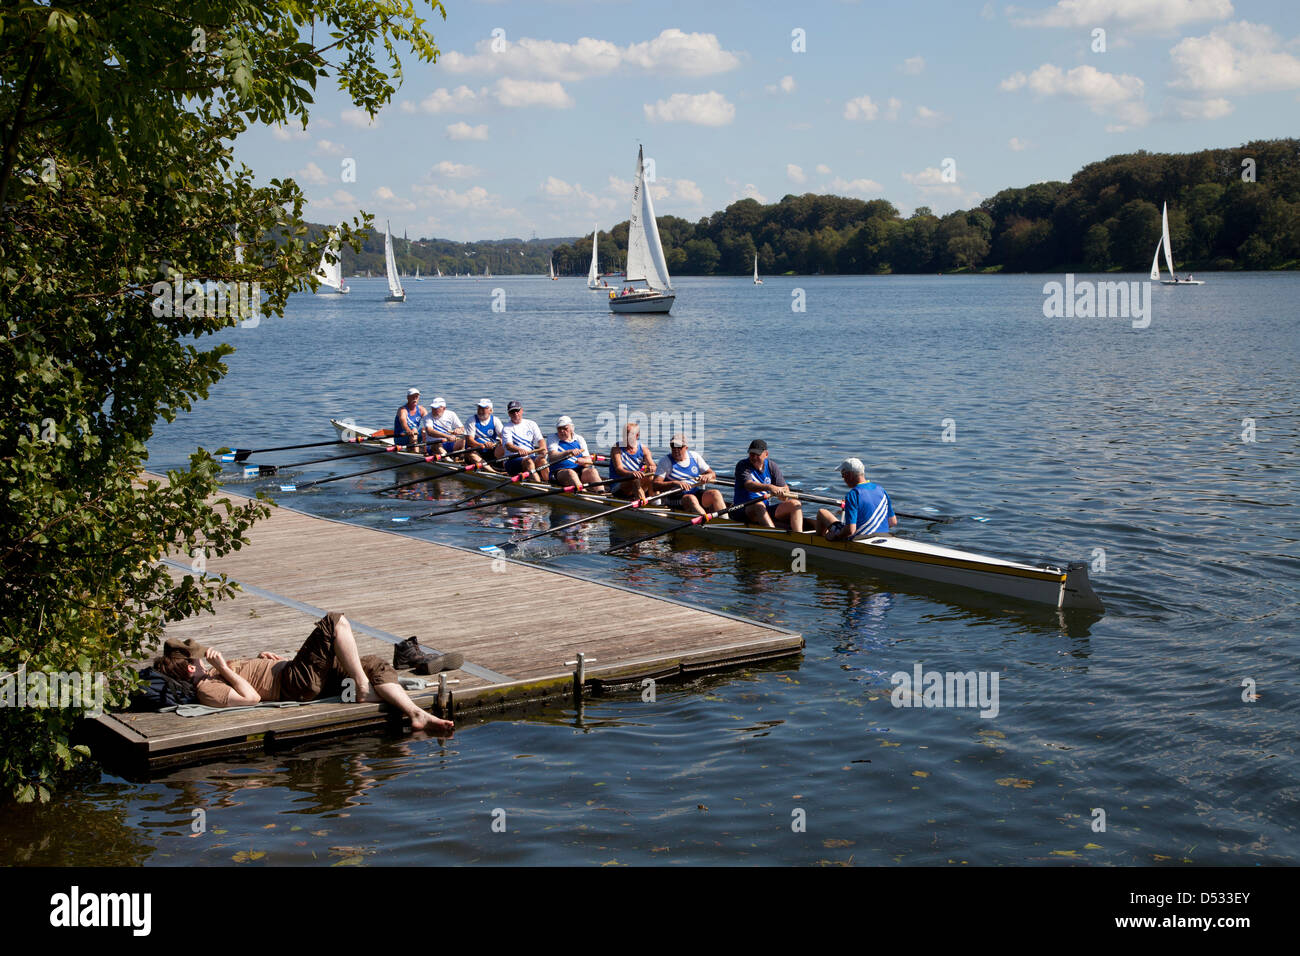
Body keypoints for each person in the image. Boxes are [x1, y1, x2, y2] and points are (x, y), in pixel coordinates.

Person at [153, 613, 454, 734]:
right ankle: (362, 688)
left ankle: (415, 713)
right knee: (335, 622)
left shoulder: (214, 677)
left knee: (374, 663)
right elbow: (252, 697)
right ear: (192, 667)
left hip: (295, 674)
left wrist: (264, 661)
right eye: (202, 659)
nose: (207, 659)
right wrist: (222, 669)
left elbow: (251, 678)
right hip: (294, 683)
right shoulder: (207, 689)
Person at [815, 457, 897, 540]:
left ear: (850, 475)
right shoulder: (881, 490)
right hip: (884, 536)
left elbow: (850, 531)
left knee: (822, 512)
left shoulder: (853, 494)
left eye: (843, 475)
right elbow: (893, 522)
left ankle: (818, 542)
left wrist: (835, 536)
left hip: (858, 539)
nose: (843, 479)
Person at [732, 439, 803, 530]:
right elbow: (749, 485)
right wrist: (770, 487)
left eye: (757, 454)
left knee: (795, 503)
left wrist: (783, 494)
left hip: (764, 509)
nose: (753, 457)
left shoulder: (771, 466)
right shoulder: (742, 465)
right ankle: (773, 537)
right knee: (759, 505)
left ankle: (798, 536)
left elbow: (784, 497)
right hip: (742, 509)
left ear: (766, 454)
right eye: (751, 454)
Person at [653, 433, 725, 515]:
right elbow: (655, 485)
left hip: (694, 491)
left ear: (686, 448)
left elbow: (712, 474)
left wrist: (709, 476)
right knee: (691, 498)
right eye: (673, 446)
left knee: (715, 493)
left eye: (679, 447)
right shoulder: (665, 461)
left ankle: (726, 523)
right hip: (674, 497)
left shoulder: (695, 456)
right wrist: (675, 483)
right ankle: (705, 524)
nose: (676, 449)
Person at [547, 415, 602, 489]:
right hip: (560, 472)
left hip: (579, 471)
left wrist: (584, 461)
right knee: (571, 472)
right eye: (559, 428)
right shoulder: (553, 438)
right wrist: (568, 452)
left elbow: (589, 461)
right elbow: (552, 457)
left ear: (572, 428)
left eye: (565, 428)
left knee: (593, 471)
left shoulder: (579, 439)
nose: (562, 431)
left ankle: (601, 493)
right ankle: (583, 494)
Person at [608, 421, 655, 502]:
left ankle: (655, 502)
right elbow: (619, 470)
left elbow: (652, 464)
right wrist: (631, 474)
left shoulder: (643, 449)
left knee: (652, 476)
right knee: (634, 479)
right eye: (624, 434)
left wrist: (652, 467)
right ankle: (641, 503)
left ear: (636, 436)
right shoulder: (616, 448)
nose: (625, 437)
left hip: (637, 484)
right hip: (618, 486)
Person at [501, 400, 548, 480]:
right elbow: (509, 446)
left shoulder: (531, 424)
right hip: (512, 461)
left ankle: (548, 483)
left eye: (517, 410)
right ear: (509, 414)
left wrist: (543, 448)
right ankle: (537, 485)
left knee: (542, 461)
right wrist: (520, 450)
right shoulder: (506, 428)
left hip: (529, 457)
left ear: (522, 410)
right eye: (512, 412)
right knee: (528, 461)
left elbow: (540, 440)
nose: (515, 413)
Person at [465, 399, 505, 470]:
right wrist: (482, 445)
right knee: (471, 452)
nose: (480, 410)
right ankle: (493, 472)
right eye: (479, 408)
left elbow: (504, 435)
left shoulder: (495, 420)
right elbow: (469, 440)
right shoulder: (471, 420)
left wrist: (503, 440)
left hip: (491, 450)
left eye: (484, 408)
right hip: (476, 450)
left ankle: (506, 467)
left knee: (505, 447)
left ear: (491, 411)